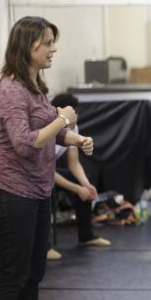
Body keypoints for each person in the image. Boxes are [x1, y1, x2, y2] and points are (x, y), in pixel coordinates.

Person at [0, 16, 94, 300]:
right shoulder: (10, 89)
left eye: (52, 42)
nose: (53, 48)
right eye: (46, 42)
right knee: (13, 276)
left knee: (33, 273)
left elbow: (48, 132)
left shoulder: (35, 87)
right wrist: (63, 121)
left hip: (36, 191)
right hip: (10, 191)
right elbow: (26, 142)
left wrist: (74, 138)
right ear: (26, 47)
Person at [46, 93, 111, 261]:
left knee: (84, 183)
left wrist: (85, 184)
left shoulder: (73, 128)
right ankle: (43, 247)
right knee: (48, 191)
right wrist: (76, 189)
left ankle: (86, 235)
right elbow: (46, 172)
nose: (76, 117)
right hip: (39, 176)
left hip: (49, 172)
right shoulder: (49, 130)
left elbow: (74, 164)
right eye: (74, 113)